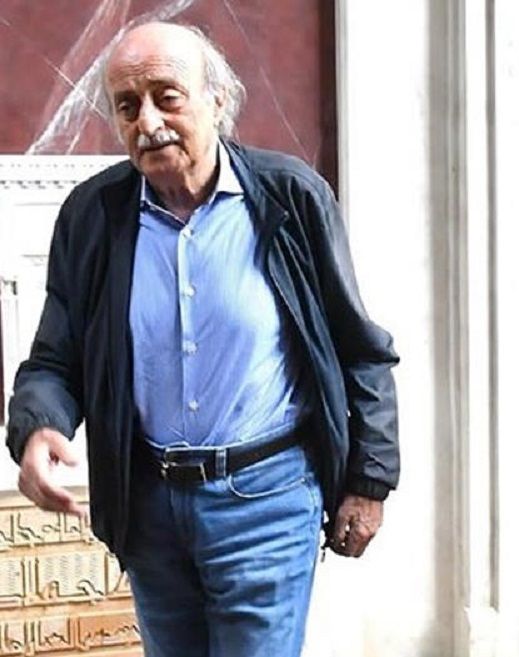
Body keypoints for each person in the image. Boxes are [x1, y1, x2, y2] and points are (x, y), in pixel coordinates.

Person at [5, 22, 399, 657]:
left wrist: (370, 480)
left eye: (168, 97)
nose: (147, 122)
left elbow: (361, 349)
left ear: (217, 100)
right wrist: (38, 426)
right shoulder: (93, 215)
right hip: (150, 509)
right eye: (127, 106)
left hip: (266, 501)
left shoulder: (289, 198)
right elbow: (56, 358)